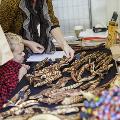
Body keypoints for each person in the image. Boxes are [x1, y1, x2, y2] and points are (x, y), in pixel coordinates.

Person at [0, 0, 74, 60]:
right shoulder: (9, 2)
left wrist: (65, 45)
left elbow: (52, 22)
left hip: (26, 50)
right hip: (12, 50)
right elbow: (2, 34)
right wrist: (28, 43)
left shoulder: (45, 1)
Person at [0, 32, 29, 110]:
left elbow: (16, 66)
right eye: (20, 53)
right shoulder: (5, 69)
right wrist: (21, 74)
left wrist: (21, 66)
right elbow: (11, 89)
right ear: (8, 56)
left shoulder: (11, 63)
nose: (23, 54)